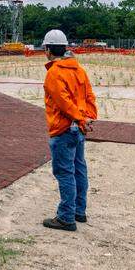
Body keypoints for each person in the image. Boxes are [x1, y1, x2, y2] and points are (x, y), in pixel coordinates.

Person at [38, 30, 97, 232]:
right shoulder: (78, 69)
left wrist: (80, 118)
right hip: (78, 128)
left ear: (47, 49)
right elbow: (89, 95)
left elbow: (63, 103)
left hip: (63, 128)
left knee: (65, 173)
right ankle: (79, 210)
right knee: (79, 169)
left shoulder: (54, 72)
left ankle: (66, 217)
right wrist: (87, 118)